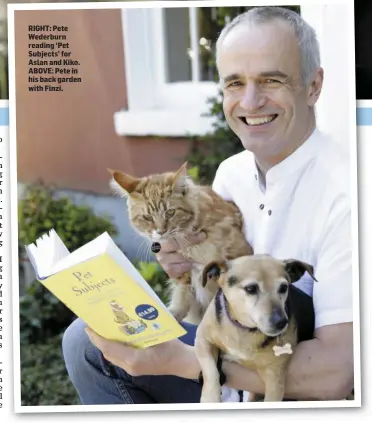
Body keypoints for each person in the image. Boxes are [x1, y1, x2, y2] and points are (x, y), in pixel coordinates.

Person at [62, 6, 354, 404]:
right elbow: (207, 289)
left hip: (295, 394)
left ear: (313, 86)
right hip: (227, 372)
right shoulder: (231, 175)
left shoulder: (350, 193)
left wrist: (186, 361)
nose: (250, 102)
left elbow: (337, 375)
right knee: (88, 338)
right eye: (234, 83)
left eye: (271, 79)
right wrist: (183, 267)